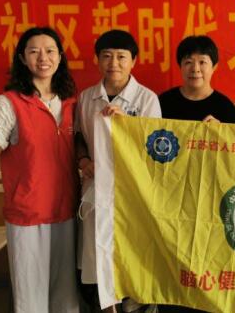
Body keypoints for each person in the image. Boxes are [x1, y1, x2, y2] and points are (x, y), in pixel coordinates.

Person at [0, 27, 80, 313]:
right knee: (30, 296)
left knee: (65, 294)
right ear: (22, 58)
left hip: (65, 210)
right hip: (28, 212)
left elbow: (81, 146)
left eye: (50, 51)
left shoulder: (71, 102)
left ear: (60, 57)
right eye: (34, 51)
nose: (43, 58)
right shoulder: (9, 103)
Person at [75, 29, 161, 313]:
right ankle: (106, 307)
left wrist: (128, 127)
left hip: (132, 191)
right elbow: (78, 137)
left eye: (121, 57)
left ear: (133, 61)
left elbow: (154, 148)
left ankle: (133, 306)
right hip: (96, 189)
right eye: (107, 56)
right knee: (98, 255)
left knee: (131, 255)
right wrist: (84, 161)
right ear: (97, 60)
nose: (114, 63)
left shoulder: (147, 99)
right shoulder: (87, 97)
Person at [159, 35, 235, 124]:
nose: (195, 69)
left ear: (214, 67)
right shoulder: (164, 102)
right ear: (180, 66)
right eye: (188, 62)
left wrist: (220, 129)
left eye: (202, 62)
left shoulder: (225, 107)